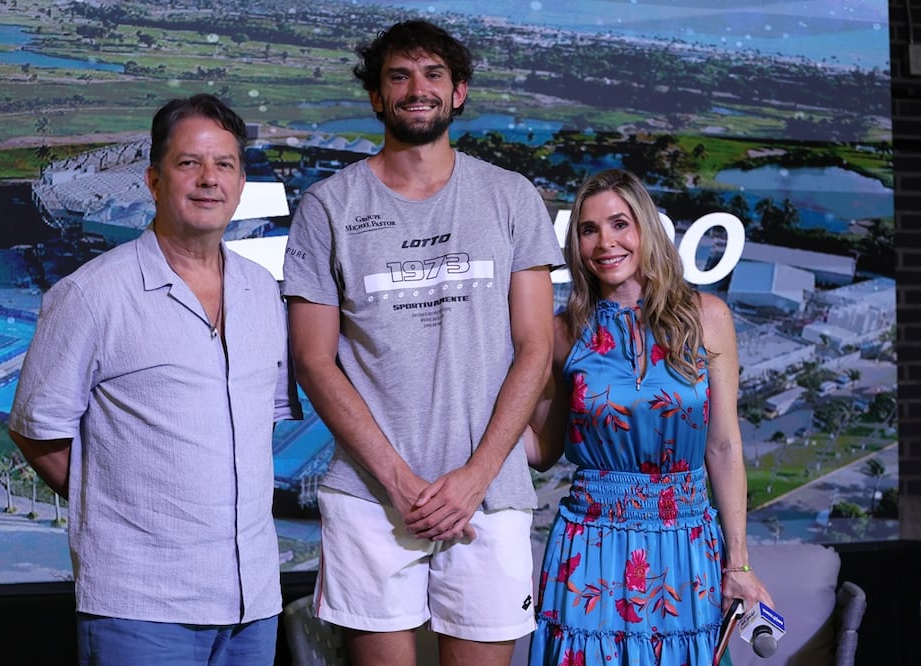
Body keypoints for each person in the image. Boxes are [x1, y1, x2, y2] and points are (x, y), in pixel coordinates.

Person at [281, 19, 564, 666]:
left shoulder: (510, 197)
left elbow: (534, 348)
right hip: (371, 498)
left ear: (458, 92)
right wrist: (399, 482)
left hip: (488, 496)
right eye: (399, 75)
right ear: (376, 96)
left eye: (433, 74)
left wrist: (471, 479)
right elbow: (312, 359)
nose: (417, 88)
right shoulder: (328, 207)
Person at [8, 93, 300, 666]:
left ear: (241, 183)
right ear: (154, 180)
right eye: (189, 163)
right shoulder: (91, 296)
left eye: (224, 165)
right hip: (142, 607)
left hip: (253, 605)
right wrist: (128, 508)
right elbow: (37, 433)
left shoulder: (263, 292)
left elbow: (257, 429)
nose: (208, 180)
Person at [524, 169, 774, 665]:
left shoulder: (708, 316)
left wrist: (738, 561)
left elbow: (723, 447)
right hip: (590, 547)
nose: (604, 242)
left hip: (686, 548)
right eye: (588, 230)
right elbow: (543, 450)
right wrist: (476, 415)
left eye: (620, 224)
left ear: (646, 230)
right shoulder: (560, 332)